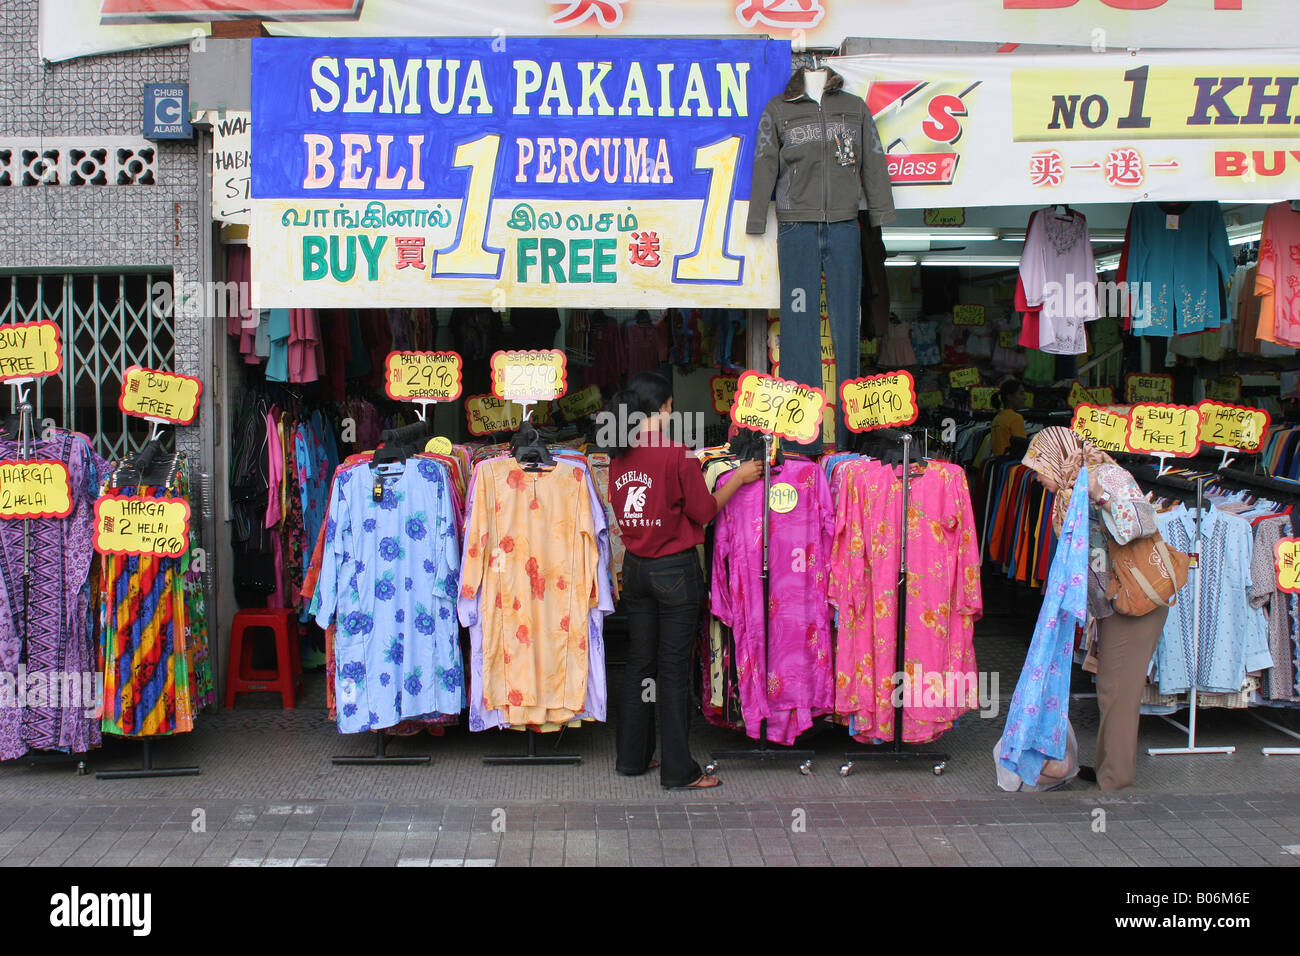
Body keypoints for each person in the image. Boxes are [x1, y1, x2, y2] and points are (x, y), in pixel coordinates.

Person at [606, 372, 762, 790]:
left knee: (641, 664)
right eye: (672, 407)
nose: (673, 413)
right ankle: (680, 770)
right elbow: (705, 511)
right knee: (673, 670)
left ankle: (632, 758)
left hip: (636, 570)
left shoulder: (619, 454)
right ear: (662, 409)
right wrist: (739, 479)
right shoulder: (677, 454)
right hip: (674, 571)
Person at [1021, 427, 1165, 791]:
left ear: (1056, 457)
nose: (1037, 478)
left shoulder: (1104, 475)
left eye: (1038, 467)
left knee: (1119, 691)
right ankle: (1106, 770)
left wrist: (1099, 497)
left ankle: (1115, 781)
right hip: (1114, 601)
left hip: (1136, 599)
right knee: (1109, 686)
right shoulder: (1072, 488)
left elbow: (1143, 522)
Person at [989, 378, 1027, 457]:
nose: (1025, 397)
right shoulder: (1016, 418)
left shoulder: (997, 418)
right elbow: (1021, 449)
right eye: (1021, 393)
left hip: (998, 464)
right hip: (1011, 464)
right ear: (1009, 397)